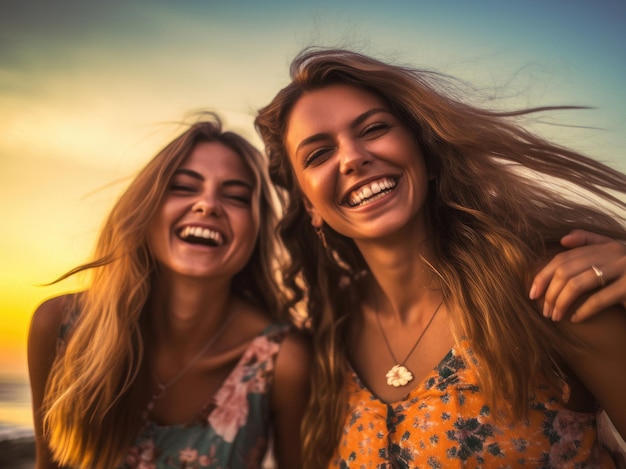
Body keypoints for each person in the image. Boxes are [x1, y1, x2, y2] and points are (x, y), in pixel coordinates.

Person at [255, 48, 626, 468]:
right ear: (310, 207)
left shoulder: (547, 288)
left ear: (426, 155)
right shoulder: (327, 339)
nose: (352, 157)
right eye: (318, 154)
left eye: (373, 129)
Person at [28, 116, 311, 469]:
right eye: (183, 187)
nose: (207, 205)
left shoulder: (282, 359)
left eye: (236, 196)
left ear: (256, 228)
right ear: (146, 208)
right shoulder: (62, 326)